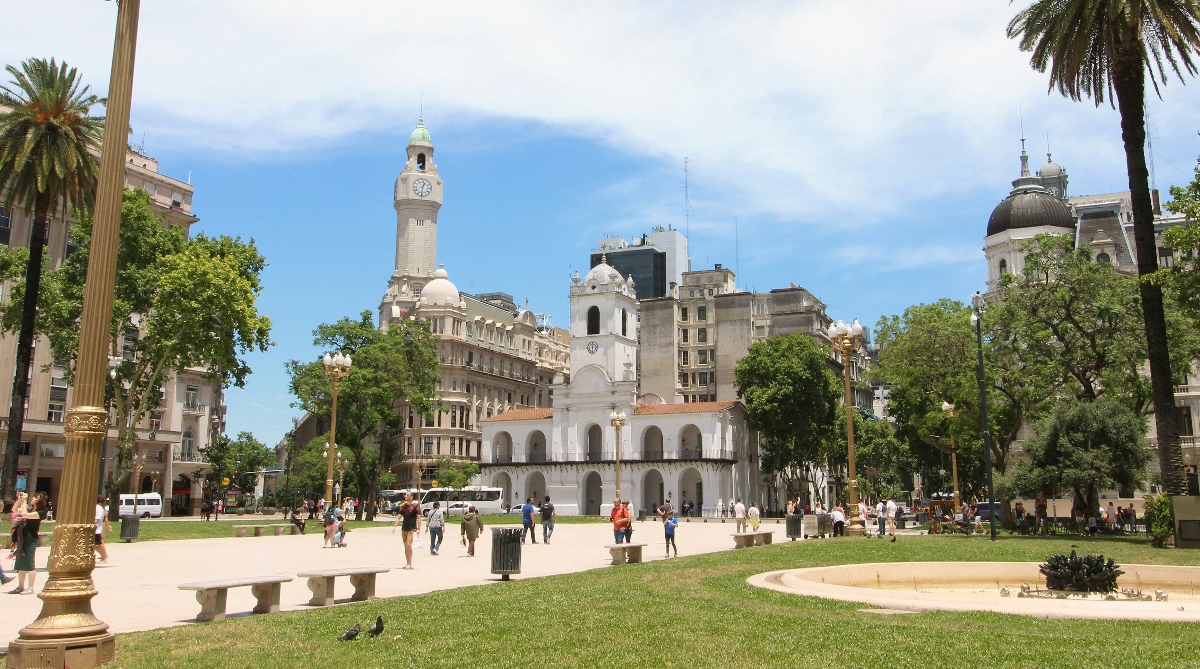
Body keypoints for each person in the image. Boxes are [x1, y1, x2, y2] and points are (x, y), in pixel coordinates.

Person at [12, 492, 47, 594]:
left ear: (40, 501)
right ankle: (21, 587)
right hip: (22, 538)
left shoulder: (41, 512)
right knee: (21, 562)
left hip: (31, 539)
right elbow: (14, 510)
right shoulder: (30, 509)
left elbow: (24, 514)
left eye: (36, 497)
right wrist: (20, 500)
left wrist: (24, 502)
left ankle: (31, 587)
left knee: (29, 562)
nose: (33, 498)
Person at [391, 492, 421, 569]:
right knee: (406, 546)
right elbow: (398, 517)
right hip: (404, 528)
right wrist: (395, 527)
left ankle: (409, 563)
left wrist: (418, 528)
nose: (405, 496)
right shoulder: (403, 507)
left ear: (411, 497)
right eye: (405, 495)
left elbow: (419, 518)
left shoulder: (415, 506)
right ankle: (407, 562)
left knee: (408, 545)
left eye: (407, 495)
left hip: (412, 528)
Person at [94, 496, 111, 564]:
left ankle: (104, 557)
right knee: (94, 544)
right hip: (96, 528)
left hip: (96, 529)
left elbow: (97, 519)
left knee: (98, 544)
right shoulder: (98, 508)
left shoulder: (98, 508)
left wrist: (92, 525)